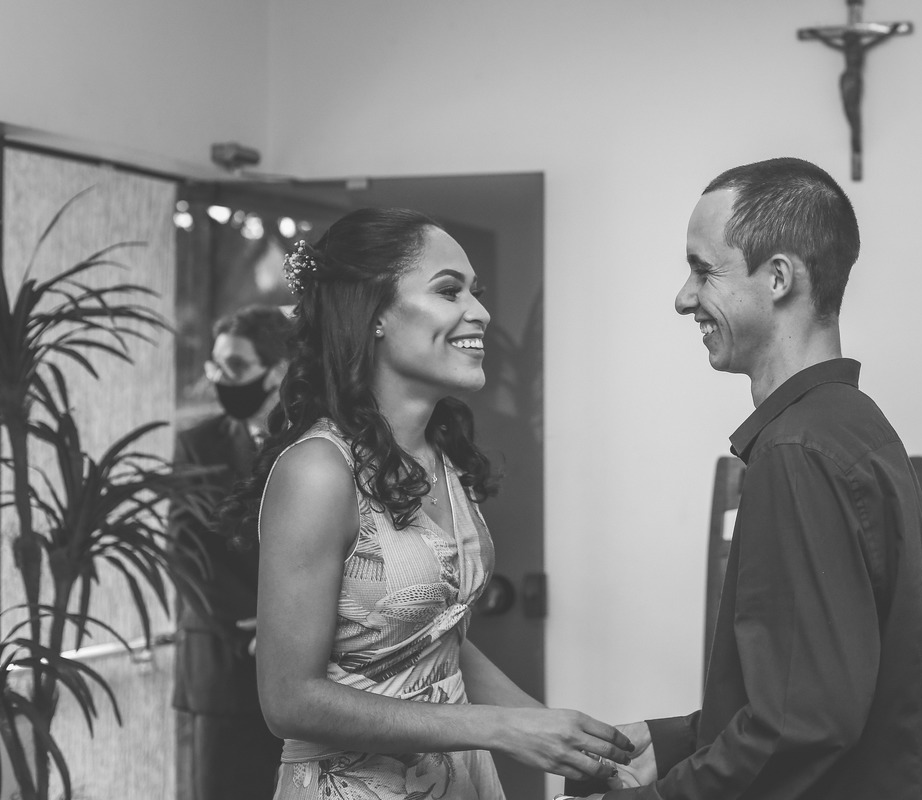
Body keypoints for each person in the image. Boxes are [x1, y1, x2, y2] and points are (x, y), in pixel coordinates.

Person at [570, 158, 922, 799]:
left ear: (778, 278)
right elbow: (817, 684)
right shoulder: (851, 425)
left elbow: (800, 725)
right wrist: (672, 743)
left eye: (704, 271)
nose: (683, 298)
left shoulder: (798, 451)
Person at [222, 208, 633, 799]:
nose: (480, 312)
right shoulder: (318, 471)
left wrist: (566, 740)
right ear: (374, 314)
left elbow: (440, 645)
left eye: (475, 292)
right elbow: (288, 699)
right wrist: (498, 728)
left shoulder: (440, 458)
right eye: (448, 290)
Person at [170, 304, 292, 800]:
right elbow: (186, 553)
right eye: (215, 366)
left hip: (314, 670)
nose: (220, 379)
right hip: (224, 667)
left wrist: (292, 624)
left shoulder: (315, 442)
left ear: (277, 369)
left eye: (235, 366)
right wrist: (261, 624)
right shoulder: (196, 444)